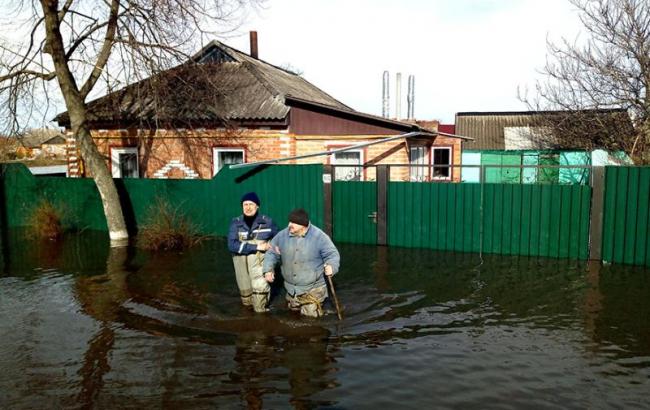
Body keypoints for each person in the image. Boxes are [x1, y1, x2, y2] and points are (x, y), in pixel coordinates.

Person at [263, 208, 340, 318]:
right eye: (289, 221)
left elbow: (332, 255)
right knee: (293, 314)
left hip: (313, 288)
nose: (289, 224)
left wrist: (332, 266)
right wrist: (268, 270)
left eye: (293, 222)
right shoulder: (281, 236)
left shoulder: (320, 237)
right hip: (291, 288)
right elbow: (271, 252)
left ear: (303, 225)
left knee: (310, 319)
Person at [228, 192, 278, 313]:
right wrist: (256, 246)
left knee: (260, 301)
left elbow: (277, 244)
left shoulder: (268, 222)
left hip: (260, 266)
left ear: (257, 206)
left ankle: (263, 322)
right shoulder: (236, 223)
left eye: (251, 204)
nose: (248, 207)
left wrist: (271, 267)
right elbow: (231, 245)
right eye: (245, 204)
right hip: (241, 266)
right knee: (246, 302)